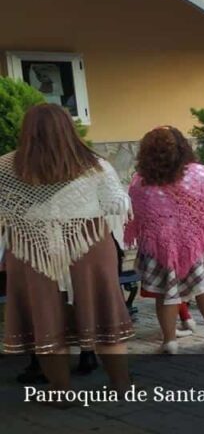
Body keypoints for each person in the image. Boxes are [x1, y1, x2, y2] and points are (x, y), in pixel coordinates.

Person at [0, 104, 133, 390]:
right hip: (89, 246)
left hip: (30, 250)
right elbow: (117, 204)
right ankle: (120, 384)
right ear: (68, 128)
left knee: (45, 316)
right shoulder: (96, 165)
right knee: (103, 312)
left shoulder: (5, 167)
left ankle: (60, 392)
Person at [126, 126, 204, 354]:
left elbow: (136, 215)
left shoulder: (140, 182)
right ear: (181, 147)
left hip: (158, 247)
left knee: (166, 292)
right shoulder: (198, 173)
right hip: (194, 246)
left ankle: (169, 341)